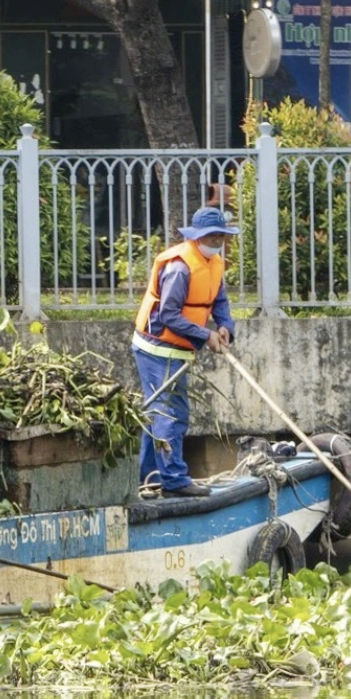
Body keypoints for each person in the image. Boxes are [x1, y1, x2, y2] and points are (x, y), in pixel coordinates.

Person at [132, 205, 239, 498]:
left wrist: (225, 326)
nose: (217, 241)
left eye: (221, 235)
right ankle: (174, 480)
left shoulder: (214, 263)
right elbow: (169, 315)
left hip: (178, 350)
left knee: (157, 413)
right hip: (157, 349)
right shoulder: (179, 268)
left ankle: (149, 479)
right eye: (211, 235)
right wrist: (205, 335)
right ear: (197, 236)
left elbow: (220, 301)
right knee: (170, 414)